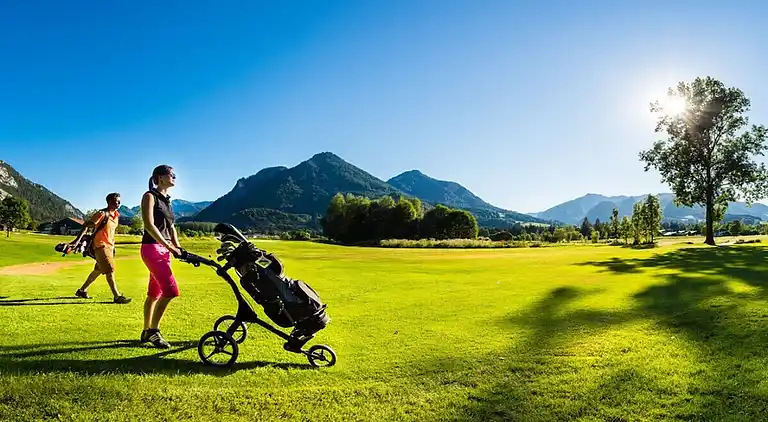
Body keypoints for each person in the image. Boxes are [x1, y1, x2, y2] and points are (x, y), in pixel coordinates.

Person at [139, 165, 183, 349]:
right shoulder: (149, 196)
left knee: (154, 293)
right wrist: (169, 246)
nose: (174, 177)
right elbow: (149, 225)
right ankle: (153, 332)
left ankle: (145, 330)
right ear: (161, 177)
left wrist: (178, 247)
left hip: (165, 250)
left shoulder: (168, 201)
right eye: (171, 174)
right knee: (171, 291)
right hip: (152, 248)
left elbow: (171, 227)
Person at [71, 193, 132, 304]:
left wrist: (113, 246)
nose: (118, 203)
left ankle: (82, 290)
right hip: (100, 246)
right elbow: (86, 226)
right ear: (109, 202)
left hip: (110, 246)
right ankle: (117, 296)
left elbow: (111, 232)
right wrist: (76, 242)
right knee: (110, 270)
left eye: (119, 201)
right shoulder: (101, 214)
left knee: (98, 270)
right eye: (115, 201)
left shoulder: (117, 215)